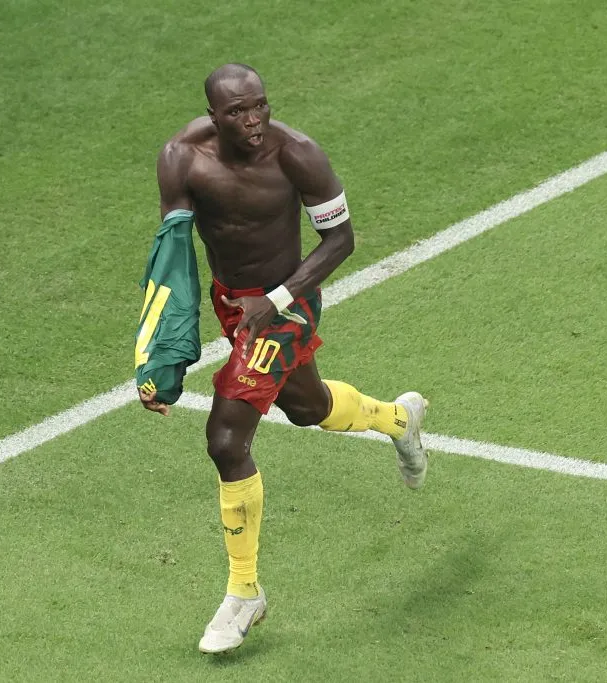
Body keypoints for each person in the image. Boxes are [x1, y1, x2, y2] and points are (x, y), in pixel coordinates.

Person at [138, 63, 429, 654]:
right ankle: (400, 420)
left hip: (286, 303)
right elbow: (172, 261)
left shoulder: (299, 155)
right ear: (214, 116)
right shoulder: (181, 158)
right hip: (231, 303)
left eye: (260, 107)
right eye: (238, 112)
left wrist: (276, 301)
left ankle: (244, 591)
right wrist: (157, 358)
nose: (253, 121)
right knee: (308, 407)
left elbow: (341, 240)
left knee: (225, 439)